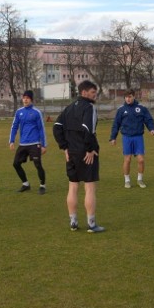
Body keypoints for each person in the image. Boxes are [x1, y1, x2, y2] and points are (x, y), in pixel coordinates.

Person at [53, 80, 105, 233]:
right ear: (84, 93)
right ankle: (91, 224)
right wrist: (90, 149)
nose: (95, 94)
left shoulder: (68, 108)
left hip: (72, 153)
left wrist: (65, 147)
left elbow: (56, 127)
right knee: (89, 187)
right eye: (92, 92)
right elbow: (88, 129)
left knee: (73, 186)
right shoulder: (89, 107)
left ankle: (73, 222)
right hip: (85, 152)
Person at [109, 89, 154, 188]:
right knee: (127, 159)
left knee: (141, 160)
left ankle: (140, 179)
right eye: (126, 97)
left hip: (138, 137)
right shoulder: (121, 110)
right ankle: (127, 180)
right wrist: (113, 137)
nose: (128, 99)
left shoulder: (141, 108)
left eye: (130, 96)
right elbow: (116, 124)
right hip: (126, 137)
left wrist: (151, 129)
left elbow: (148, 119)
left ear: (134, 96)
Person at [9, 90, 47, 194]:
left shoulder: (36, 112)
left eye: (27, 98)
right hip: (23, 144)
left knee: (38, 165)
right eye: (24, 98)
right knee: (16, 164)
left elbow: (41, 129)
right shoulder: (19, 112)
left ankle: (42, 185)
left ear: (31, 99)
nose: (25, 100)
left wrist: (43, 145)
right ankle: (25, 184)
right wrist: (11, 141)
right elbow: (14, 127)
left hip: (35, 144)